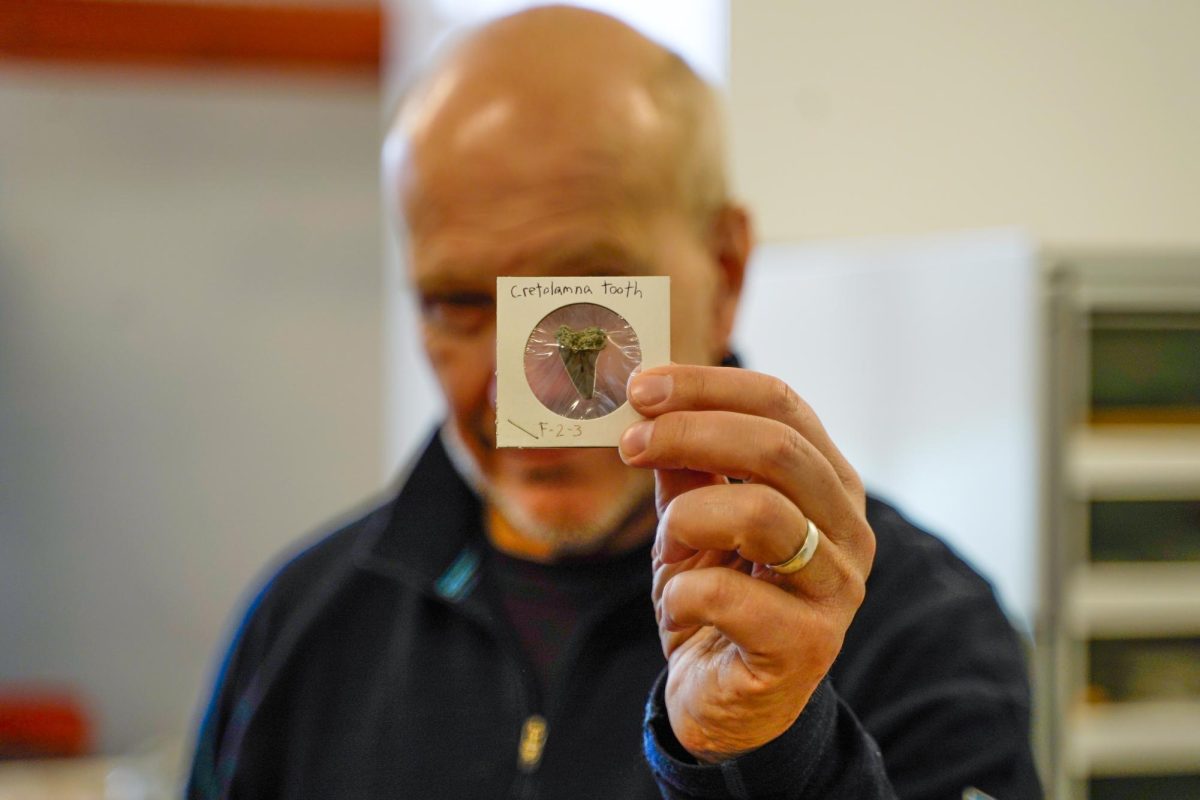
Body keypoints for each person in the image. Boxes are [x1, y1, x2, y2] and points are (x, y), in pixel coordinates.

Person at [187, 7, 1042, 799]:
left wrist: (776, 750)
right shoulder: (302, 630)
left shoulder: (922, 633)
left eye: (576, 298)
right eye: (454, 304)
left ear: (726, 272)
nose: (516, 383)